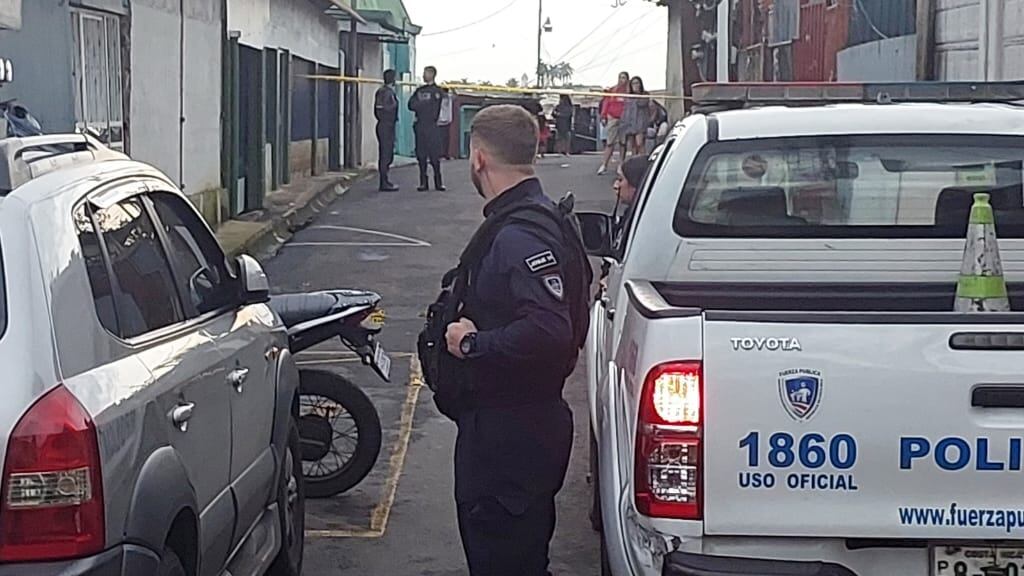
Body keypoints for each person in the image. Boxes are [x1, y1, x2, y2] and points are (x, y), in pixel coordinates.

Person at [436, 104, 591, 576]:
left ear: (479, 158)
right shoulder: (539, 218)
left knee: (503, 559)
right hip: (523, 427)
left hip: (508, 435)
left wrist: (472, 345)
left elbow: (550, 329)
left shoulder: (519, 235)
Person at [408, 65, 446, 191]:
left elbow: (434, 108)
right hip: (420, 125)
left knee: (434, 155)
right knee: (421, 154)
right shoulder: (419, 90)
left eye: (426, 73)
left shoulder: (437, 91)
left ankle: (438, 182)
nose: (424, 76)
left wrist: (422, 104)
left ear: (432, 74)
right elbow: (411, 105)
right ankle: (423, 182)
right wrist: (423, 104)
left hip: (432, 126)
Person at [598, 71, 630, 175]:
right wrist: (603, 116)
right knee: (610, 142)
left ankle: (621, 165)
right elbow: (606, 103)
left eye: (624, 78)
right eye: (620, 77)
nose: (622, 80)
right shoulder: (613, 90)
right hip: (612, 117)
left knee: (623, 143)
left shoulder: (629, 92)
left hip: (624, 119)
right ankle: (604, 164)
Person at [373, 69, 400, 192]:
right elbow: (379, 109)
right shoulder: (384, 92)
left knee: (388, 153)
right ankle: (383, 182)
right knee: (385, 154)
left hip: (388, 125)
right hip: (385, 125)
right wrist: (390, 111)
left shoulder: (388, 92)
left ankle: (385, 180)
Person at [621, 76, 650, 157]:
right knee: (633, 146)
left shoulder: (645, 94)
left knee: (640, 143)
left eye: (637, 83)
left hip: (640, 123)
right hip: (630, 122)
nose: (635, 85)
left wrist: (636, 95)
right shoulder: (628, 96)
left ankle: (643, 159)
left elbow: (641, 103)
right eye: (633, 83)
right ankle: (634, 160)